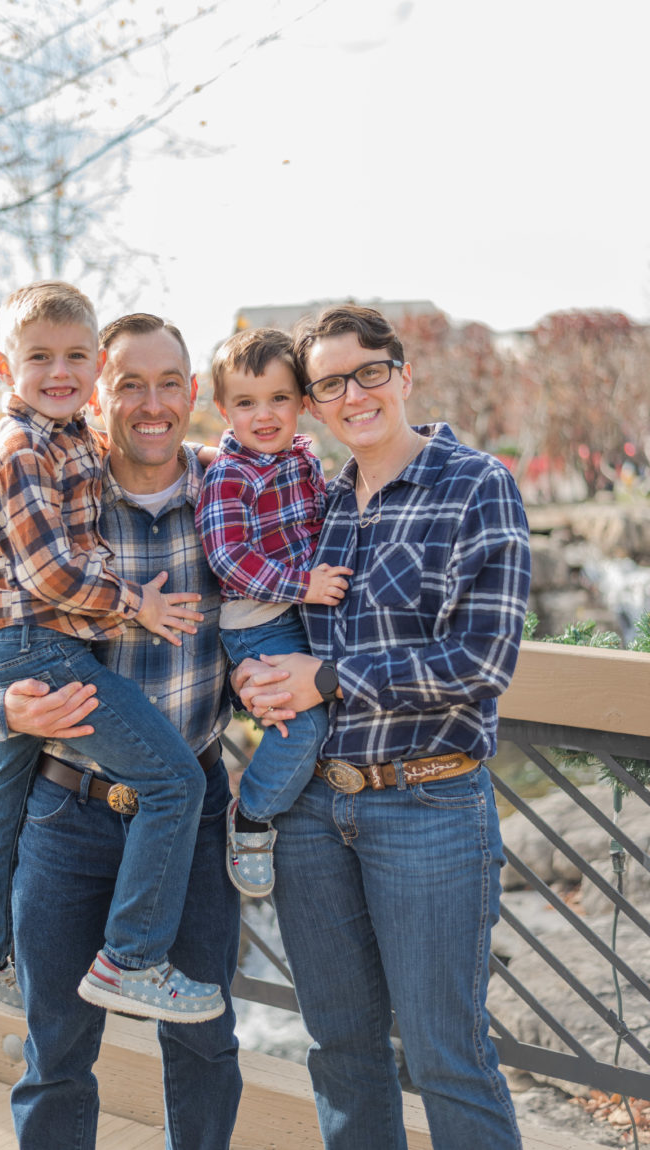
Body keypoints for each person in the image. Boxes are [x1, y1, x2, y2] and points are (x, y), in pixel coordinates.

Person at [0, 312, 242, 1149]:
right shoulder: (52, 495)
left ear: (192, 394)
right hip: (67, 812)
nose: (152, 403)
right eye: (130, 384)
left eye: (168, 383)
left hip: (193, 808)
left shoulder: (231, 497)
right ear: (99, 395)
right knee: (57, 1053)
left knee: (207, 1041)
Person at [233, 304, 532, 1150]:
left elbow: (482, 662)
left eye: (367, 372)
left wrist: (325, 678)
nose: (352, 394)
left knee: (447, 1054)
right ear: (317, 405)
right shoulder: (321, 505)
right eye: (330, 384)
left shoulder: (477, 484)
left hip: (428, 809)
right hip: (311, 814)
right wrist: (257, 679)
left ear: (402, 375)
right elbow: (266, 617)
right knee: (342, 1052)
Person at [195, 327, 352, 896]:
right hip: (258, 618)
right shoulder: (230, 476)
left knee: (324, 711)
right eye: (246, 402)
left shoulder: (303, 459)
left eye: (279, 399)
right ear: (222, 409)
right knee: (299, 724)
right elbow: (229, 559)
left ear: (303, 402)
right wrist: (303, 585)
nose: (264, 415)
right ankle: (252, 815)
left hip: (298, 611)